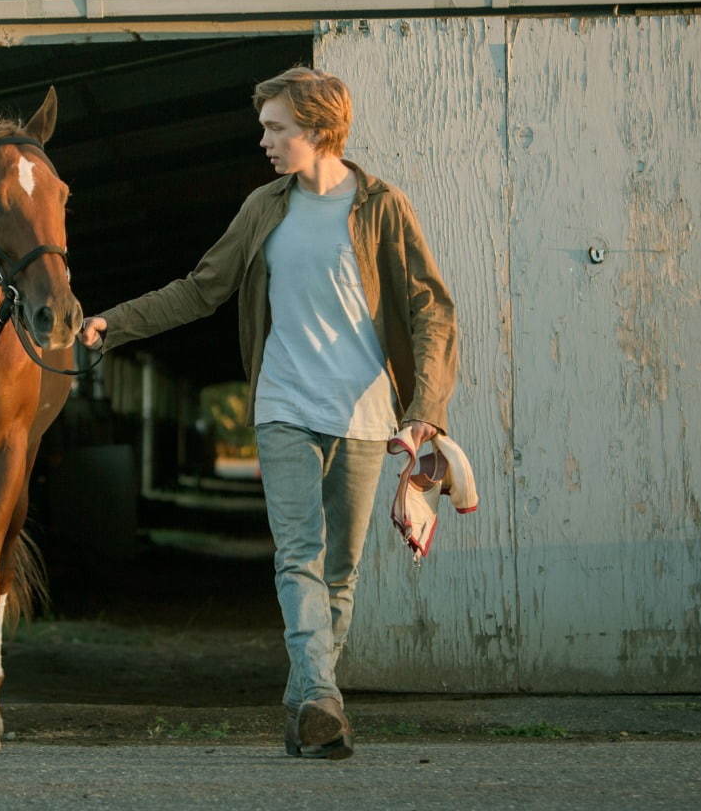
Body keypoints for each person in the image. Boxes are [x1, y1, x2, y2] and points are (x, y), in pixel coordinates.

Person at [79, 67, 457, 760]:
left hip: (366, 415)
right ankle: (322, 698)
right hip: (284, 404)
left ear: (317, 130)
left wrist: (426, 405)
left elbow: (430, 307)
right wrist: (115, 323)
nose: (264, 141)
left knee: (340, 569)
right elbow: (202, 289)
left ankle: (306, 705)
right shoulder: (264, 208)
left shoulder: (381, 207)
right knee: (298, 557)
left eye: (275, 128)